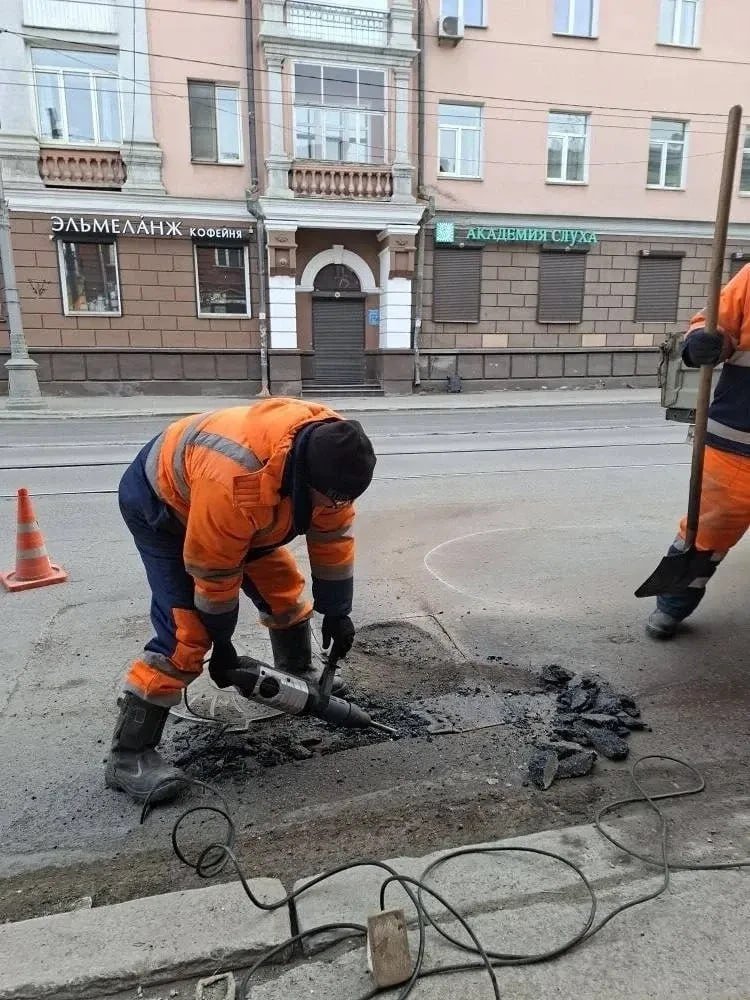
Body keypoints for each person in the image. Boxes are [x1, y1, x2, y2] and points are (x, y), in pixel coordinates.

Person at [106, 399, 377, 802]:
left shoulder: (335, 458)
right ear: (305, 480)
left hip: (248, 506)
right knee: (188, 635)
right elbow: (214, 573)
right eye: (329, 499)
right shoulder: (237, 478)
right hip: (164, 505)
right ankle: (129, 756)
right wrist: (224, 644)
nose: (333, 508)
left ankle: (297, 672)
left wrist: (338, 612)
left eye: (340, 501)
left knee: (282, 588)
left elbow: (333, 539)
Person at [647, 264, 750, 639]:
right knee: (707, 529)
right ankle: (674, 601)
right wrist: (706, 343)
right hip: (739, 444)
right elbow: (714, 322)